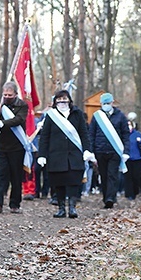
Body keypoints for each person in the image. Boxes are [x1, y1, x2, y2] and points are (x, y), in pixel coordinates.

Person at [37, 90, 92, 218]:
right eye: (59, 99)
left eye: (64, 99)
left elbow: (84, 133)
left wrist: (87, 150)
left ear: (69, 100)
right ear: (55, 102)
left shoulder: (77, 114)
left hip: (74, 154)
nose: (62, 101)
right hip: (56, 155)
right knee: (58, 182)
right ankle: (61, 208)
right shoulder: (51, 115)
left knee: (74, 181)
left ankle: (72, 208)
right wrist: (42, 155)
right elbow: (45, 136)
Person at [0, 81, 29, 214]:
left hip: (17, 146)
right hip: (1, 146)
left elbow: (18, 120)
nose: (7, 97)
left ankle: (15, 203)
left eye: (9, 95)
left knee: (16, 176)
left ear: (15, 94)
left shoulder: (22, 105)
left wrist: (1, 123)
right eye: (4, 94)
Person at [89, 93, 130, 209]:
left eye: (108, 103)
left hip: (115, 151)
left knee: (112, 174)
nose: (106, 105)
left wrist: (126, 151)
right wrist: (91, 151)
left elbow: (125, 134)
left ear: (112, 103)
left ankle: (110, 198)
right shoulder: (97, 116)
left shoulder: (120, 116)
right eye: (104, 104)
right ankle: (106, 196)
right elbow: (91, 134)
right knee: (104, 175)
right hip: (100, 150)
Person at [124, 113, 141, 200]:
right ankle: (129, 194)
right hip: (127, 158)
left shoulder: (138, 134)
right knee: (128, 177)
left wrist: (140, 142)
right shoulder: (124, 135)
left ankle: (136, 191)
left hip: (137, 159)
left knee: (136, 176)